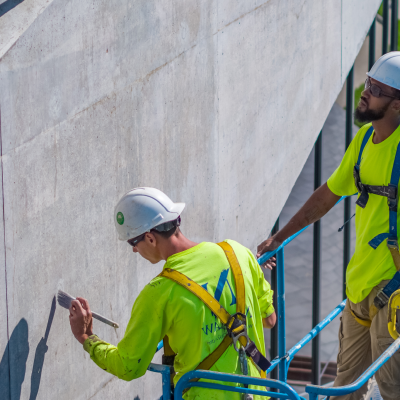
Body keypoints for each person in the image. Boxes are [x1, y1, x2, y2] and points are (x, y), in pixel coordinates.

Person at [257, 52, 400, 400]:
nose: (366, 92)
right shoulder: (365, 139)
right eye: (368, 83)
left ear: (397, 105)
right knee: (345, 390)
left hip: (392, 291)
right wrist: (279, 237)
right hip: (358, 290)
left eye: (377, 89)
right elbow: (328, 194)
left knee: (393, 389)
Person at [68, 187, 276, 399]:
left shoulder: (159, 292)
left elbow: (128, 366)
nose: (133, 250)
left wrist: (86, 337)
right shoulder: (238, 253)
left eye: (133, 242)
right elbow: (269, 319)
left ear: (150, 238)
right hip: (257, 394)